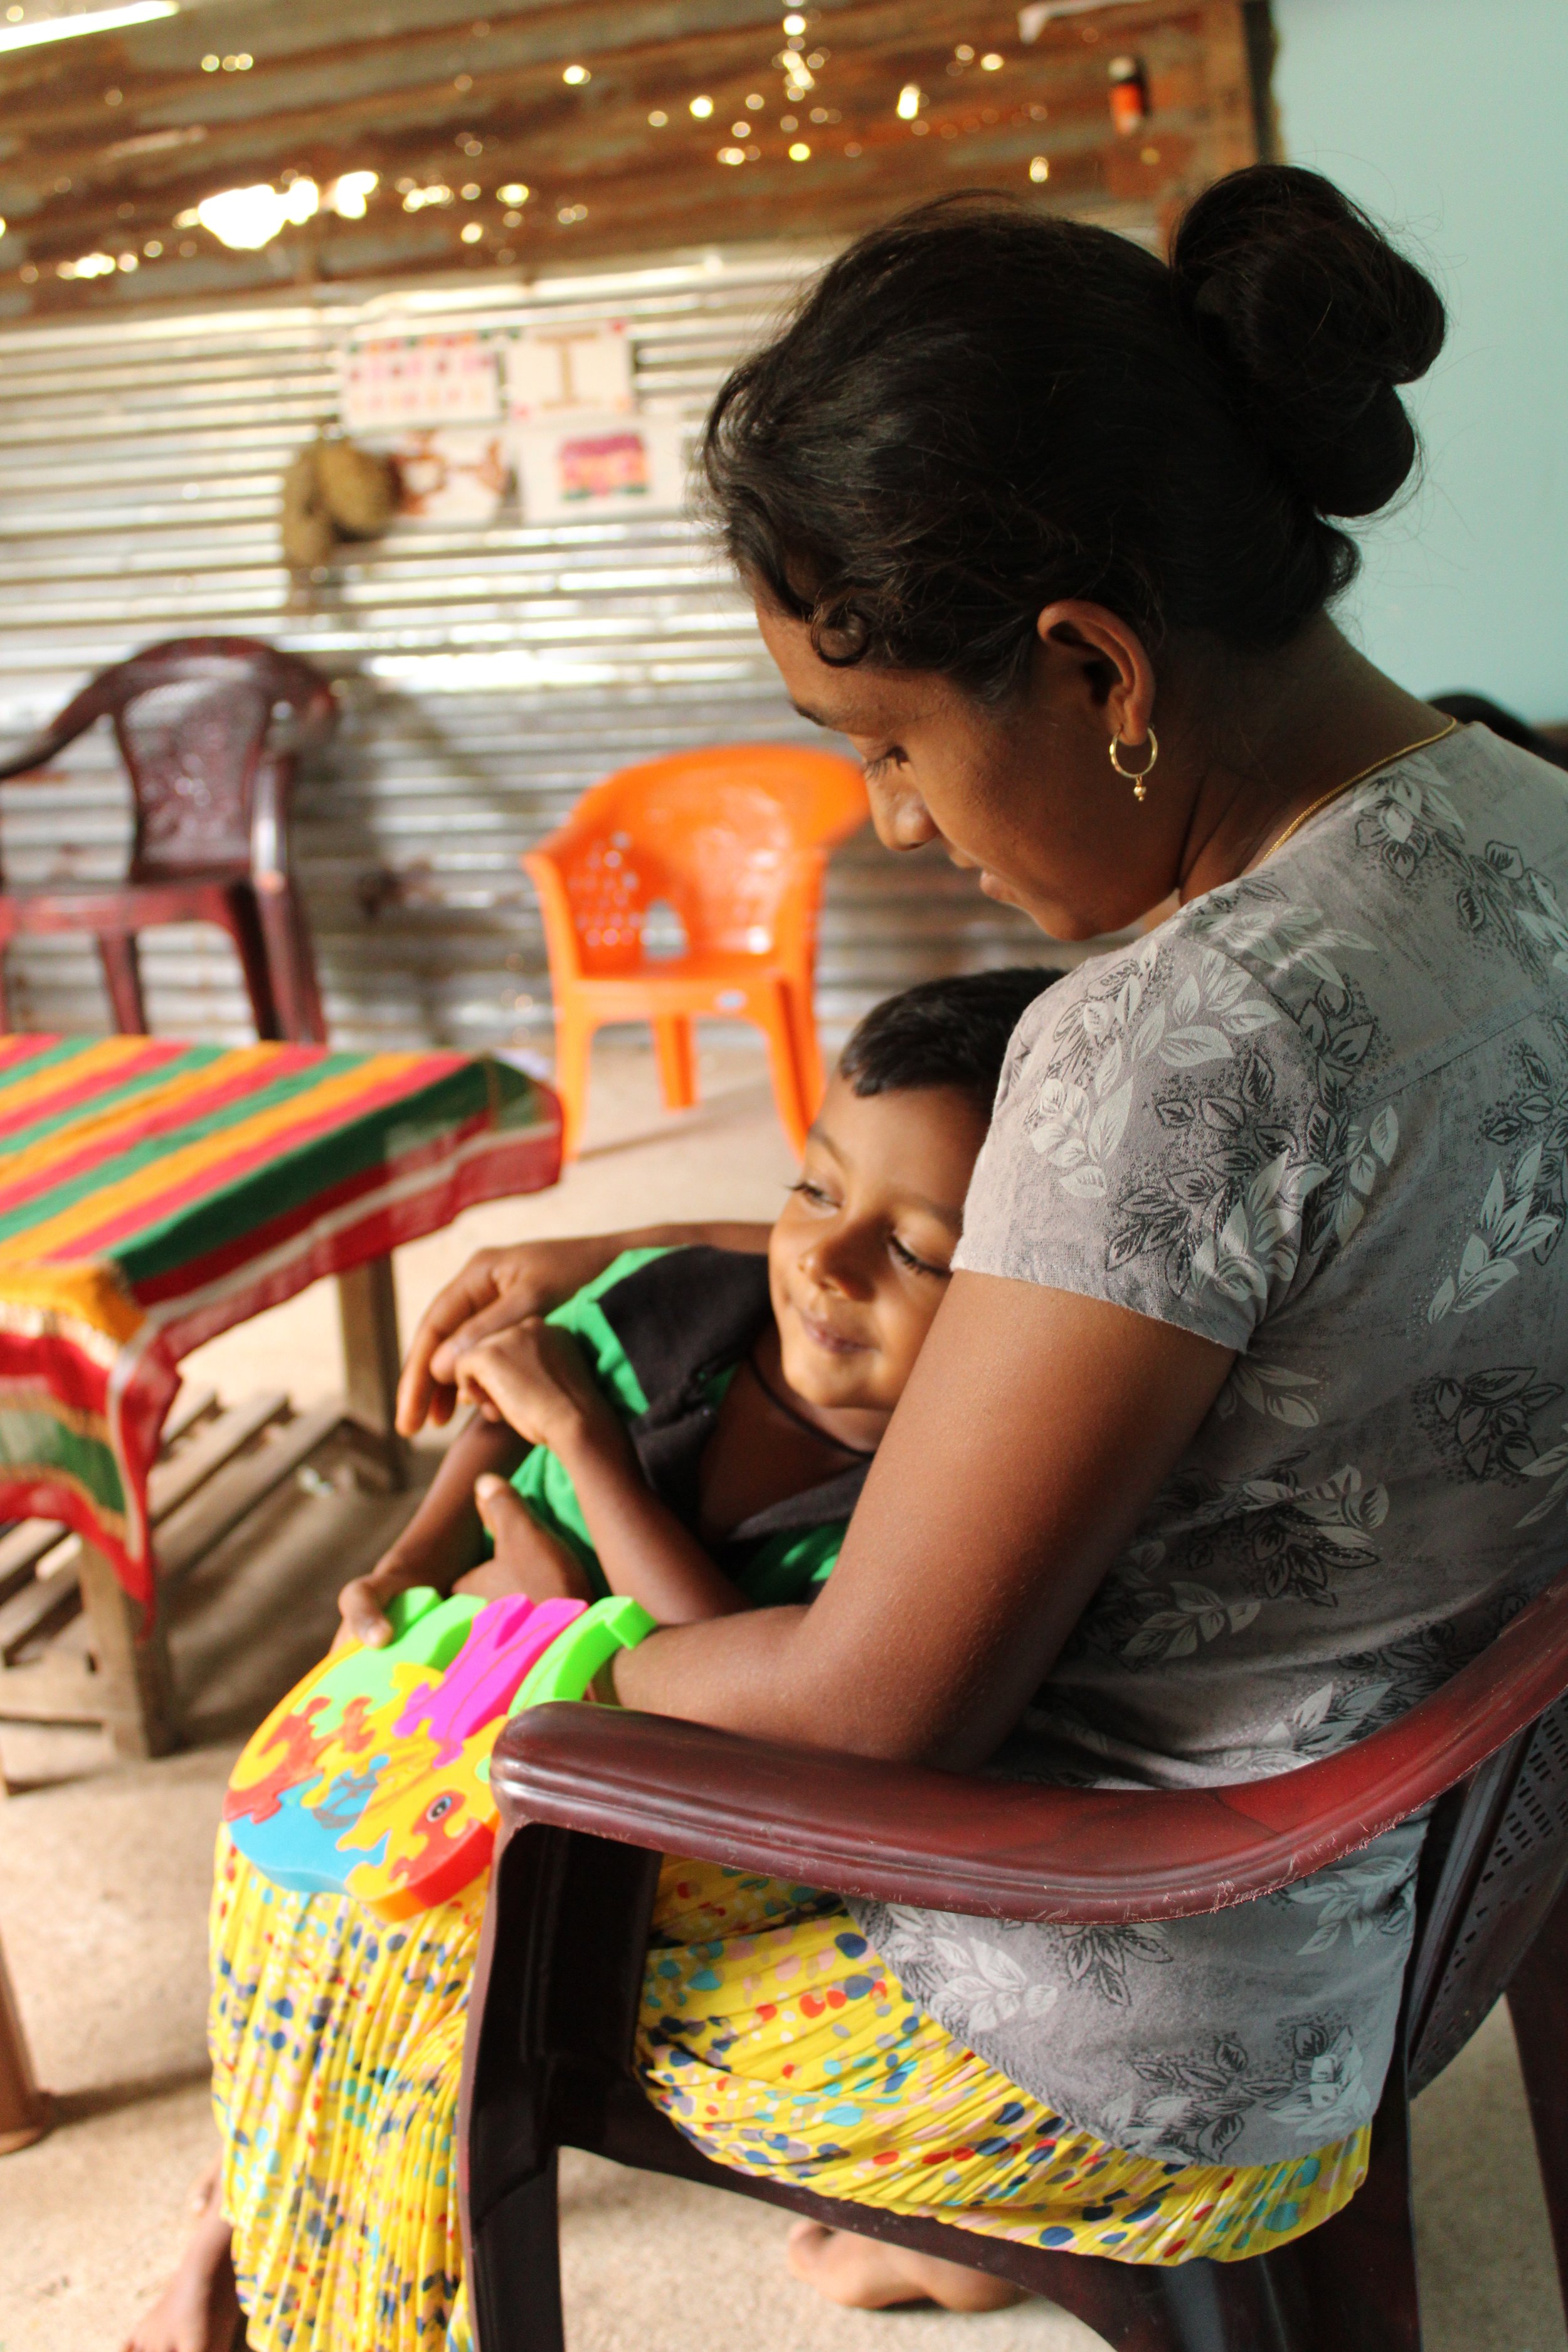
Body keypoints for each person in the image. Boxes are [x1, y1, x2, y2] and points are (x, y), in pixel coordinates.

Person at [139, 154, 1568, 2343]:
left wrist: (540, 1641)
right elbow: (1247, 1253)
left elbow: (872, 1714)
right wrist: (697, 1222)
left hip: (1131, 1996)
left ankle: (301, 2294)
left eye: (888, 746)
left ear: (1094, 664)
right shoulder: (1523, 813)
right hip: (1446, 1851)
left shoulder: (1171, 1042)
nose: (895, 822)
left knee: (332, 1831)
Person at [128, 968, 1059, 2352]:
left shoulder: (924, 1506)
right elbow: (501, 1408)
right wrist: (411, 1556)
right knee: (279, 1847)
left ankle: (309, 2261)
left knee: (411, 1935)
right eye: (811, 1190)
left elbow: (744, 1670)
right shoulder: (684, 1295)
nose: (826, 1263)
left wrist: (582, 1486)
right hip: (463, 1676)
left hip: (661, 1808)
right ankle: (236, 2212)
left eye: (916, 1252)